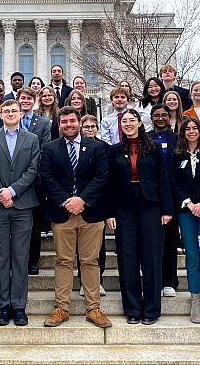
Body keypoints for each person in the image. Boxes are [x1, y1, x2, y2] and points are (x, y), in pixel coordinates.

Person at [41, 107, 111, 329]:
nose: (69, 125)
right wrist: (66, 201)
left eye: (72, 120)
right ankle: (61, 307)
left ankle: (93, 308)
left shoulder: (97, 147)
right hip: (62, 213)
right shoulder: (50, 148)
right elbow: (47, 178)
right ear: (59, 124)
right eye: (64, 121)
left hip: (90, 212)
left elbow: (102, 177)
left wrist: (82, 200)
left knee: (90, 261)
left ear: (79, 122)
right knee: (63, 261)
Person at [106, 108, 173, 325]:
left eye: (131, 120)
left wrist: (167, 209)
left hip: (150, 207)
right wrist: (109, 212)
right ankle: (133, 309)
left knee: (152, 258)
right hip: (124, 208)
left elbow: (163, 179)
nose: (128, 124)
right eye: (124, 121)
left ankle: (152, 310)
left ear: (139, 123)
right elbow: (110, 184)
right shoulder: (114, 151)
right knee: (128, 258)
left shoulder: (153, 149)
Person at [0, 99, 40, 327]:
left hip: (23, 205)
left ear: (21, 113)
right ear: (1, 115)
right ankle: (3, 305)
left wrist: (13, 191)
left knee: (20, 256)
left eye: (14, 110)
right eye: (6, 111)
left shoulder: (31, 139)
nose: (10, 113)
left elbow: (33, 169)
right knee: (1, 256)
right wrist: (1, 192)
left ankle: (19, 305)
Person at [170, 117, 200, 324]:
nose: (191, 132)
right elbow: (173, 182)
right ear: (182, 133)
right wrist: (189, 204)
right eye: (187, 129)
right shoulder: (176, 155)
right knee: (191, 255)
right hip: (186, 210)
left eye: (194, 128)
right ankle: (195, 299)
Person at [17, 87, 51, 277]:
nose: (26, 101)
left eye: (29, 98)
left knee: (35, 223)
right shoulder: (12, 119)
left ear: (34, 100)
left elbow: (44, 149)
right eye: (23, 98)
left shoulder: (43, 123)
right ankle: (18, 260)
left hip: (36, 180)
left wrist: (31, 173)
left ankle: (32, 261)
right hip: (13, 180)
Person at [147, 104, 179, 298]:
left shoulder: (177, 139)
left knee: (170, 240)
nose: (160, 118)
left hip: (172, 196)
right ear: (151, 118)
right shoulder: (146, 139)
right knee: (153, 241)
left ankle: (170, 280)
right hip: (151, 195)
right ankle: (156, 280)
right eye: (156, 115)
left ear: (169, 117)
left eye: (164, 115)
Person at [78, 114, 108, 297]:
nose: (89, 129)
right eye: (86, 126)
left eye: (92, 126)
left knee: (99, 246)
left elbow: (105, 176)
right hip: (77, 202)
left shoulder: (104, 147)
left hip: (97, 203)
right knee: (79, 248)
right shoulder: (74, 146)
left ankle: (99, 280)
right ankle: (83, 281)